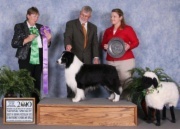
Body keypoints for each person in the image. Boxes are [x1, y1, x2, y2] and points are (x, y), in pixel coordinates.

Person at [11, 7, 52, 104]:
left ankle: (36, 106)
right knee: (25, 82)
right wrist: (27, 39)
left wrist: (49, 39)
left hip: (39, 56)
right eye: (34, 16)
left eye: (37, 16)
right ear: (28, 16)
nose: (36, 18)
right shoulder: (20, 26)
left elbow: (46, 45)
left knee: (37, 82)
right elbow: (14, 43)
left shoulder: (41, 27)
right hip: (26, 57)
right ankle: (25, 106)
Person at [101, 8, 139, 99]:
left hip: (126, 60)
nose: (112, 18)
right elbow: (103, 44)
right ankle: (115, 96)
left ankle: (127, 101)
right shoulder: (108, 30)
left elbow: (136, 42)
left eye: (114, 16)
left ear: (120, 17)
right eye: (111, 16)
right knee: (110, 80)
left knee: (126, 81)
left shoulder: (128, 29)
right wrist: (105, 46)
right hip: (110, 60)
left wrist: (129, 46)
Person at [64, 6, 99, 97]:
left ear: (89, 17)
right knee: (72, 79)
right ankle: (70, 98)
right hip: (73, 57)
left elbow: (95, 43)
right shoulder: (71, 24)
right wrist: (68, 44)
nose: (83, 17)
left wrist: (96, 57)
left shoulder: (93, 27)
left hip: (87, 58)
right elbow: (67, 36)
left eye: (86, 16)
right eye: (82, 14)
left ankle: (81, 100)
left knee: (85, 80)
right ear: (80, 13)